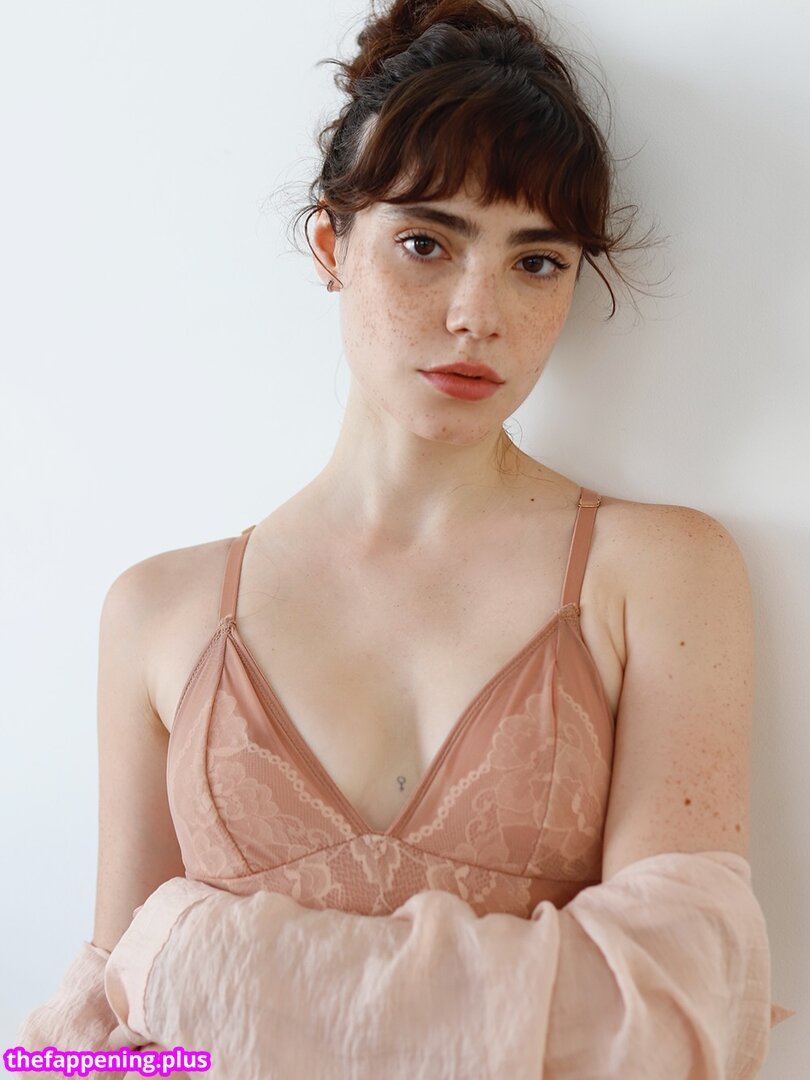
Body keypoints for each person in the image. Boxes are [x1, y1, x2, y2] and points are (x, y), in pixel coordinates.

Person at [17, 1, 793, 1077]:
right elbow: (102, 1043)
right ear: (331, 245)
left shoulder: (657, 572)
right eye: (426, 243)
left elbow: (681, 1014)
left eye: (537, 261)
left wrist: (211, 966)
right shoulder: (159, 612)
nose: (478, 313)